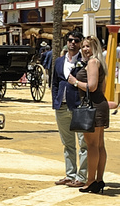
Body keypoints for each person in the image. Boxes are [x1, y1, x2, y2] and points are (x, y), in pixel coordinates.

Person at [67, 34, 111, 193]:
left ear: (95, 48)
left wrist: (75, 82)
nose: (85, 49)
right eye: (84, 46)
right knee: (99, 145)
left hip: (92, 106)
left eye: (88, 46)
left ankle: (91, 181)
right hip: (100, 104)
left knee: (92, 145)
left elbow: (91, 86)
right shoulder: (99, 63)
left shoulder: (92, 62)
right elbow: (102, 87)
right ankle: (99, 179)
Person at [45, 29, 88, 187]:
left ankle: (82, 177)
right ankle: (70, 175)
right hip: (61, 107)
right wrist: (55, 101)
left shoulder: (85, 62)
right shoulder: (59, 61)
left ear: (81, 43)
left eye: (76, 41)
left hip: (78, 107)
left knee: (83, 144)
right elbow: (55, 83)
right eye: (70, 40)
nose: (73, 43)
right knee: (67, 143)